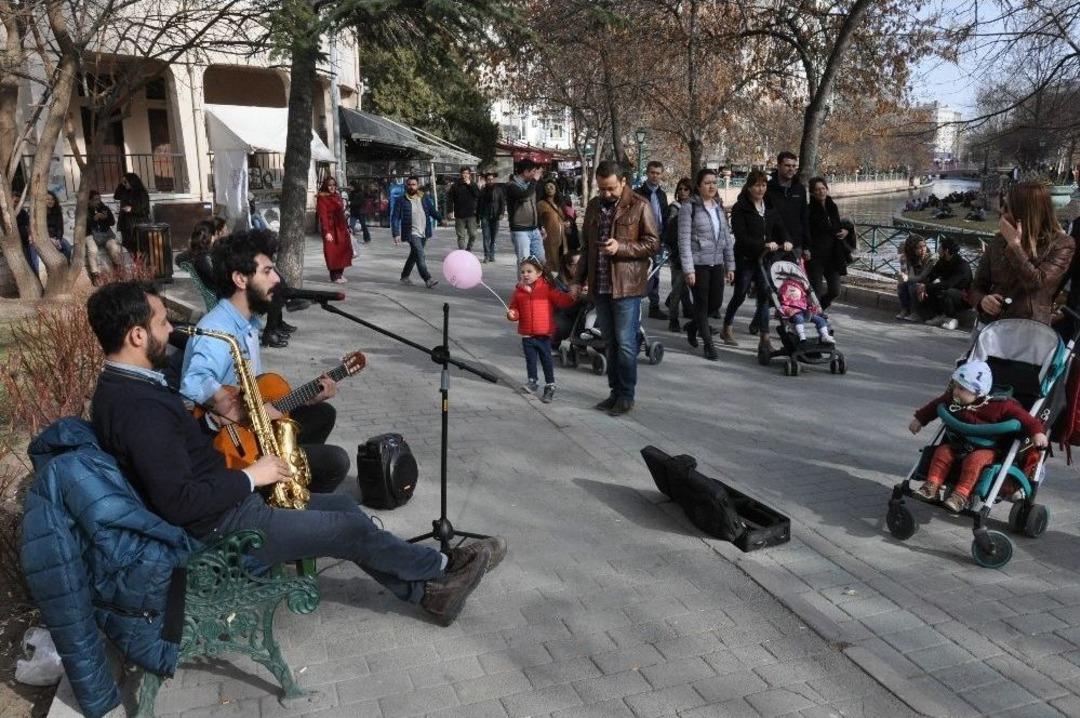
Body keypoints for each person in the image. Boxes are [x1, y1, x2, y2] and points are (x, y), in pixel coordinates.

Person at [89, 280, 503, 626]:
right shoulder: (137, 408)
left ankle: (428, 592)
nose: (170, 330)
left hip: (225, 506)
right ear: (137, 335)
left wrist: (226, 435)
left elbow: (174, 458)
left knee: (343, 504)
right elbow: (179, 501)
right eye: (162, 322)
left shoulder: (131, 388)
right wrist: (254, 475)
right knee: (350, 531)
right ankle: (440, 573)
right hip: (221, 528)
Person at [180, 231, 348, 494]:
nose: (277, 279)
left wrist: (304, 398)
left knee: (323, 413)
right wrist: (245, 412)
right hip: (232, 443)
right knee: (336, 461)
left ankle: (287, 487)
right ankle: (282, 493)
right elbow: (193, 383)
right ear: (240, 279)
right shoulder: (216, 331)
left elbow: (257, 389)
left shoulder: (246, 323)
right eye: (268, 271)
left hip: (256, 426)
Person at [570, 160, 659, 417]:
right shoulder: (595, 206)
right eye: (601, 189)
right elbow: (587, 247)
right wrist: (577, 280)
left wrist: (621, 248)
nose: (606, 194)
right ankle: (614, 392)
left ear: (623, 182)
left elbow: (653, 243)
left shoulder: (640, 205)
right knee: (609, 342)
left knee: (626, 344)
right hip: (600, 285)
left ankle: (626, 395)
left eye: (610, 188)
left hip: (626, 287)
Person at [909, 360, 1046, 512]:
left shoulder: (1001, 405)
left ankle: (960, 496)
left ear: (978, 391)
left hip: (986, 449)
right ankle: (931, 487)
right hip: (957, 443)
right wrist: (920, 419)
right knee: (942, 452)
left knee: (975, 460)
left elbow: (1026, 418)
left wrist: (1037, 432)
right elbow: (935, 405)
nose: (955, 392)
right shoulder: (954, 399)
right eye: (954, 386)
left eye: (961, 388)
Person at [969, 182, 1075, 326]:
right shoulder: (999, 241)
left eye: (1007, 208)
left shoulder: (1062, 244)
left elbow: (1038, 284)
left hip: (1029, 328)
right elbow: (977, 285)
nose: (1002, 212)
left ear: (1024, 213)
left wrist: (1015, 247)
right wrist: (982, 301)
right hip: (991, 327)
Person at [725, 169, 789, 353]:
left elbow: (780, 226)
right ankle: (727, 326)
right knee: (740, 293)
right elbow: (741, 236)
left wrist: (787, 240)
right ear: (749, 187)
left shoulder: (768, 207)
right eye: (757, 185)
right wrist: (764, 244)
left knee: (764, 296)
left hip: (764, 260)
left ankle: (765, 338)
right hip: (746, 258)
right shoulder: (740, 208)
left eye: (763, 185)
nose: (761, 189)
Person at [679, 168, 735, 361]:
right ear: (699, 186)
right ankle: (708, 344)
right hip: (698, 264)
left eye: (714, 182)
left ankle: (693, 326)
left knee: (716, 303)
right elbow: (684, 240)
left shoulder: (718, 207)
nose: (712, 186)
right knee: (702, 305)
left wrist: (730, 265)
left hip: (716, 262)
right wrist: (688, 269)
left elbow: (726, 239)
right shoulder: (689, 207)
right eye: (707, 183)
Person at [506, 257, 576, 403]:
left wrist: (572, 296)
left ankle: (550, 385)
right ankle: (532, 381)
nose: (525, 274)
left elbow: (561, 300)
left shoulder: (547, 289)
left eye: (529, 271)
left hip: (543, 334)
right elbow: (514, 308)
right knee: (530, 360)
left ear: (538, 273)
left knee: (546, 360)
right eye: (523, 272)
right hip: (527, 334)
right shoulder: (518, 292)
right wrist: (512, 314)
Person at [806, 177, 854, 311]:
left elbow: (837, 226)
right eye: (817, 190)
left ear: (827, 189)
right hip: (815, 256)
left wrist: (846, 230)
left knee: (835, 290)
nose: (821, 192)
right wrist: (807, 248)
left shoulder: (833, 206)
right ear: (812, 193)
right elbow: (806, 232)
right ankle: (816, 314)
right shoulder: (809, 210)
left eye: (823, 188)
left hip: (833, 255)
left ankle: (818, 308)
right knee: (815, 290)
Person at [391, 175, 440, 289]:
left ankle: (404, 276)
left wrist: (441, 219)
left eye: (413, 184)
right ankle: (428, 279)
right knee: (420, 255)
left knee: (414, 255)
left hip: (424, 231)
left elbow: (432, 211)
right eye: (409, 184)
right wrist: (396, 233)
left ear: (418, 186)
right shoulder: (401, 200)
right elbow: (395, 217)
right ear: (406, 186)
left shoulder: (424, 197)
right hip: (411, 232)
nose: (411, 187)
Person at [634, 161, 670, 320]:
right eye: (652, 172)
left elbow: (665, 217)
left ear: (662, 175)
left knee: (655, 273)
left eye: (658, 173)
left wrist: (665, 238)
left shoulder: (662, 195)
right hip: (642, 239)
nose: (655, 176)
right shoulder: (638, 194)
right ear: (647, 173)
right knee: (641, 272)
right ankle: (635, 304)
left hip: (658, 240)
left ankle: (654, 306)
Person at [914, 236, 972, 330]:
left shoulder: (962, 265)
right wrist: (922, 285)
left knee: (946, 292)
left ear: (946, 250)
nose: (938, 250)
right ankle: (938, 316)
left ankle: (952, 319)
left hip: (963, 297)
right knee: (924, 288)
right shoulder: (943, 262)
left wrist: (927, 287)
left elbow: (949, 284)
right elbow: (930, 276)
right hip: (948, 291)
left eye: (940, 248)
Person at [766, 152, 809, 261]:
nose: (791, 169)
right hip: (775, 246)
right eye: (787, 165)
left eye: (794, 166)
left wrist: (806, 246)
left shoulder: (800, 189)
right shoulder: (768, 189)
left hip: (795, 245)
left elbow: (804, 217)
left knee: (794, 277)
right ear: (779, 166)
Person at [664, 178, 694, 333]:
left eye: (686, 189)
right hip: (677, 254)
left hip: (692, 253)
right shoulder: (675, 209)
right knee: (677, 287)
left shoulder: (694, 207)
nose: (683, 192)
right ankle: (673, 319)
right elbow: (670, 233)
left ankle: (690, 312)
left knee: (684, 287)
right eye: (680, 189)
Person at [316, 177, 354, 284]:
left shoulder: (337, 195)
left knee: (343, 250)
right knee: (332, 252)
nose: (332, 187)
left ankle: (340, 274)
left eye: (333, 185)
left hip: (340, 227)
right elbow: (322, 216)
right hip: (331, 228)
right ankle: (334, 276)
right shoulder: (322, 198)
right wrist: (326, 231)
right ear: (325, 186)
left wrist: (347, 226)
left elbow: (341, 211)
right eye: (329, 185)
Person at [505, 159, 544, 263]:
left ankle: (538, 280)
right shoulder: (511, 186)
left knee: (541, 260)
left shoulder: (530, 185)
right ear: (526, 171)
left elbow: (534, 206)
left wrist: (540, 226)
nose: (534, 175)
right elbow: (524, 197)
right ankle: (523, 280)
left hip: (534, 229)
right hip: (520, 230)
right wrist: (534, 181)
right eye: (533, 172)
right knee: (524, 262)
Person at [778, 276, 834, 344]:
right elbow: (783, 309)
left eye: (794, 291)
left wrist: (814, 308)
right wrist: (789, 311)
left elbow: (809, 307)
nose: (792, 293)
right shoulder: (786, 303)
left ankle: (825, 335)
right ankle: (802, 336)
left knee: (820, 320)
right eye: (790, 292)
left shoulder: (803, 300)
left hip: (807, 314)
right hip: (796, 316)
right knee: (799, 318)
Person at [85, 190, 122, 283]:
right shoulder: (84, 210)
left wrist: (106, 218)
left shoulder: (104, 208)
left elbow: (112, 222)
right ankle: (95, 274)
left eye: (99, 199)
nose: (98, 201)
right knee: (92, 250)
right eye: (95, 199)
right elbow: (83, 226)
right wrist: (94, 219)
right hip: (90, 234)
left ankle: (118, 269)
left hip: (105, 233)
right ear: (89, 200)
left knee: (114, 247)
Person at [896, 236, 935, 321]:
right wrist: (902, 274)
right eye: (919, 247)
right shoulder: (911, 258)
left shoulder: (931, 258)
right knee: (902, 285)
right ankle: (905, 310)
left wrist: (907, 278)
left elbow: (922, 277)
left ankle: (916, 313)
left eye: (924, 246)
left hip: (929, 284)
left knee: (912, 285)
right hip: (918, 282)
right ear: (912, 249)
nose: (923, 249)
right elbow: (910, 275)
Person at [113, 172, 150, 255]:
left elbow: (144, 209)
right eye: (123, 182)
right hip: (126, 225)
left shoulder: (141, 193)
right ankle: (136, 266)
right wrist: (122, 184)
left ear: (132, 181)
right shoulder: (125, 191)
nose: (125, 184)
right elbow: (116, 196)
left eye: (126, 182)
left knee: (140, 248)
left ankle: (142, 266)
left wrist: (131, 209)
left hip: (138, 224)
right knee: (130, 248)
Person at [537, 179, 568, 274]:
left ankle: (559, 285)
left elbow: (564, 218)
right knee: (550, 262)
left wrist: (567, 223)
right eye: (547, 187)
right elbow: (537, 220)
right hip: (549, 239)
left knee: (562, 261)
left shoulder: (559, 204)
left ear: (555, 189)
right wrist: (540, 228)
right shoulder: (541, 204)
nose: (549, 189)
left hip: (562, 239)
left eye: (551, 187)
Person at [447, 166, 480, 252]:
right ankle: (462, 252)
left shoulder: (473, 184)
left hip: (471, 214)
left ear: (469, 175)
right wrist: (450, 211)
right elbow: (450, 199)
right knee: (461, 236)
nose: (465, 175)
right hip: (459, 214)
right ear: (460, 174)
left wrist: (470, 185)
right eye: (463, 173)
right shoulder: (455, 185)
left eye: (467, 173)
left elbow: (478, 195)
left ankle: (469, 248)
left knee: (473, 234)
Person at [175, 220, 216, 289]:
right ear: (210, 237)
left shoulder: (193, 255)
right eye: (214, 235)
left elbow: (178, 259)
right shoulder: (204, 258)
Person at [478, 170, 505, 263]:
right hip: (485, 216)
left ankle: (492, 255)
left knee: (494, 238)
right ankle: (486, 256)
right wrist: (479, 217)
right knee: (486, 237)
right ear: (486, 180)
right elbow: (479, 204)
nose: (490, 181)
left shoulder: (499, 190)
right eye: (488, 179)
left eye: (492, 179)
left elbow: (502, 203)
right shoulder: (483, 190)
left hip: (495, 216)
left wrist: (501, 213)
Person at [44, 191, 74, 262]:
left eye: (52, 199)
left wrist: (58, 239)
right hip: (46, 238)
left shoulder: (57, 212)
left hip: (56, 237)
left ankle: (67, 266)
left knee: (68, 248)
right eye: (48, 199)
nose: (50, 201)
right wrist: (50, 239)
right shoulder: (40, 214)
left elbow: (60, 228)